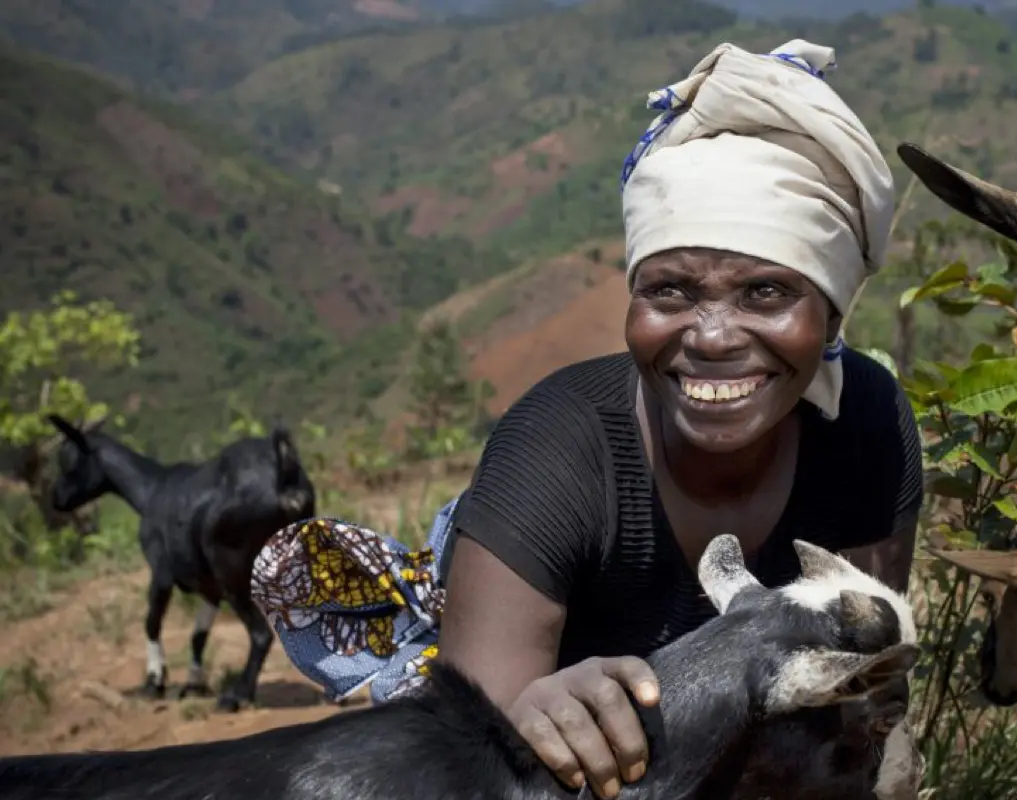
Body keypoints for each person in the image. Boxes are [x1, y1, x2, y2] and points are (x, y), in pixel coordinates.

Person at [251, 37, 923, 800]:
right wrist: (526, 712)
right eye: (669, 291)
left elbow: (866, 695)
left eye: (766, 293)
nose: (710, 336)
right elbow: (477, 754)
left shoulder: (866, 427)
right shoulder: (561, 448)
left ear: (830, 312)